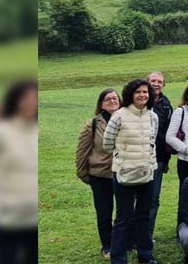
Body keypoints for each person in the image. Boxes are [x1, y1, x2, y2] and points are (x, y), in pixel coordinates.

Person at [0, 81, 38, 264]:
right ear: (16, 101)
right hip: (6, 213)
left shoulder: (35, 130)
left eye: (35, 98)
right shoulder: (0, 132)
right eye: (27, 98)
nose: (32, 102)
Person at [102, 79, 160, 264]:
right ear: (130, 95)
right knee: (123, 218)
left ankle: (145, 255)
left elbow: (152, 141)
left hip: (147, 174)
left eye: (145, 92)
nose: (142, 95)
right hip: (124, 175)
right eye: (138, 92)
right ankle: (118, 259)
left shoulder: (153, 116)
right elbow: (107, 144)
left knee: (143, 217)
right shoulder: (118, 116)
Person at [75, 89, 119, 259]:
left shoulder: (127, 119)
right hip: (100, 176)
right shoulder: (92, 124)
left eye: (115, 98)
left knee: (124, 213)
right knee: (104, 214)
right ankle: (107, 246)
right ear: (101, 104)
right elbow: (82, 151)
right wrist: (83, 173)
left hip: (123, 174)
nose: (112, 101)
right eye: (108, 99)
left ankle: (122, 242)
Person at [145, 72, 171, 242]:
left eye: (159, 81)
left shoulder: (166, 105)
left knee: (153, 199)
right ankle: (131, 236)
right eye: (153, 81)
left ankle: (147, 235)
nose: (156, 84)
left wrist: (166, 160)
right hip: (137, 159)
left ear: (164, 85)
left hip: (158, 159)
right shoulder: (138, 100)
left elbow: (168, 134)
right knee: (135, 199)